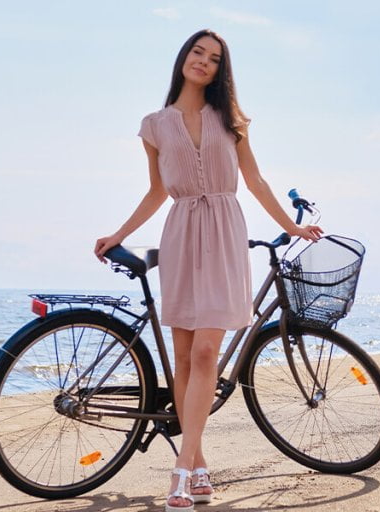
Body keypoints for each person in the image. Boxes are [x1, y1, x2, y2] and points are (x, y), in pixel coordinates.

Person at [94, 29, 322, 512]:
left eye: (214, 58)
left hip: (223, 233)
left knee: (204, 354)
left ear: (222, 70)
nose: (204, 62)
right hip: (180, 234)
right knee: (182, 360)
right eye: (198, 52)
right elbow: (157, 192)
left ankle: (177, 471)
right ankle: (196, 463)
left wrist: (290, 226)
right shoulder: (154, 125)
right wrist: (118, 234)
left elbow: (255, 180)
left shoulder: (230, 119)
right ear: (183, 59)